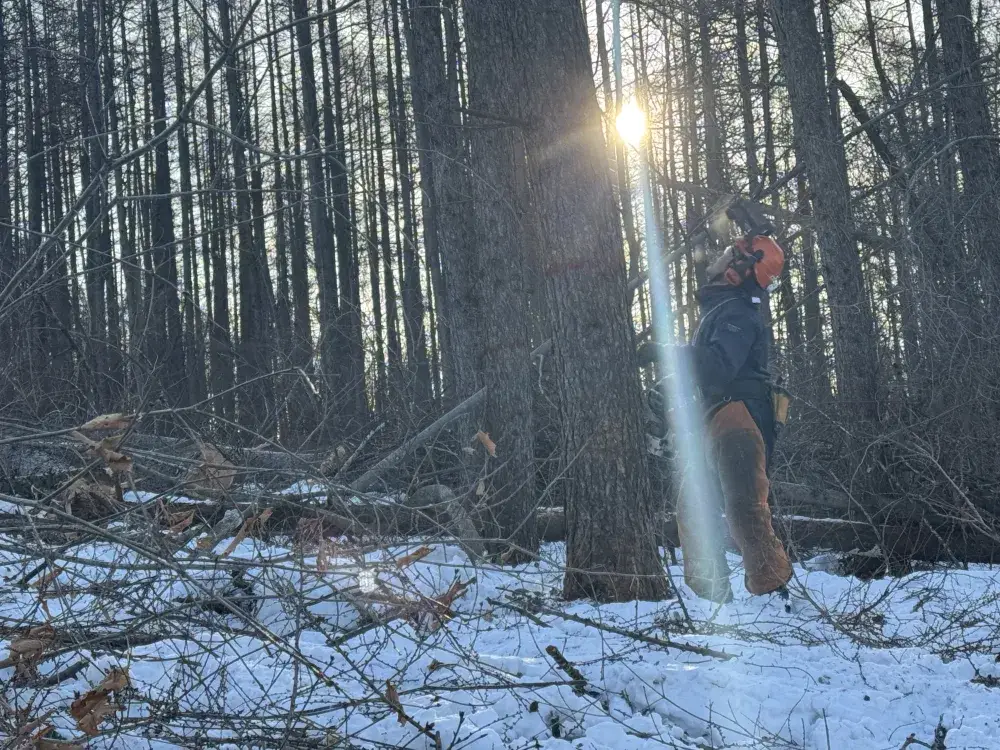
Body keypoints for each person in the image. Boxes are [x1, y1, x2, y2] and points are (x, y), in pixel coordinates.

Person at [641, 235, 793, 603]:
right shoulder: (723, 310)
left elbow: (718, 367)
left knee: (745, 509)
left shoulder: (739, 315)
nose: (719, 256)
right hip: (715, 420)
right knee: (693, 509)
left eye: (729, 255)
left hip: (738, 420)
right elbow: (707, 368)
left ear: (737, 273)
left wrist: (663, 353)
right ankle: (708, 597)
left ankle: (775, 594)